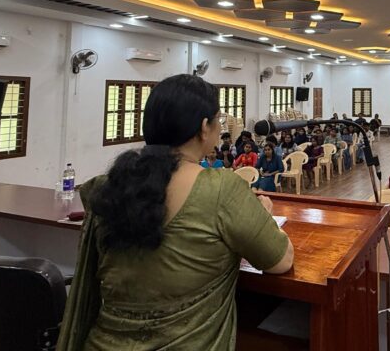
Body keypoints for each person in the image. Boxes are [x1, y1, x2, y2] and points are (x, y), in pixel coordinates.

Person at [60, 74, 294, 350]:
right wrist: (263, 216)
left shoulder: (109, 187)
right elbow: (280, 260)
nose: (220, 128)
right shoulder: (220, 188)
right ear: (204, 127)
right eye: (218, 121)